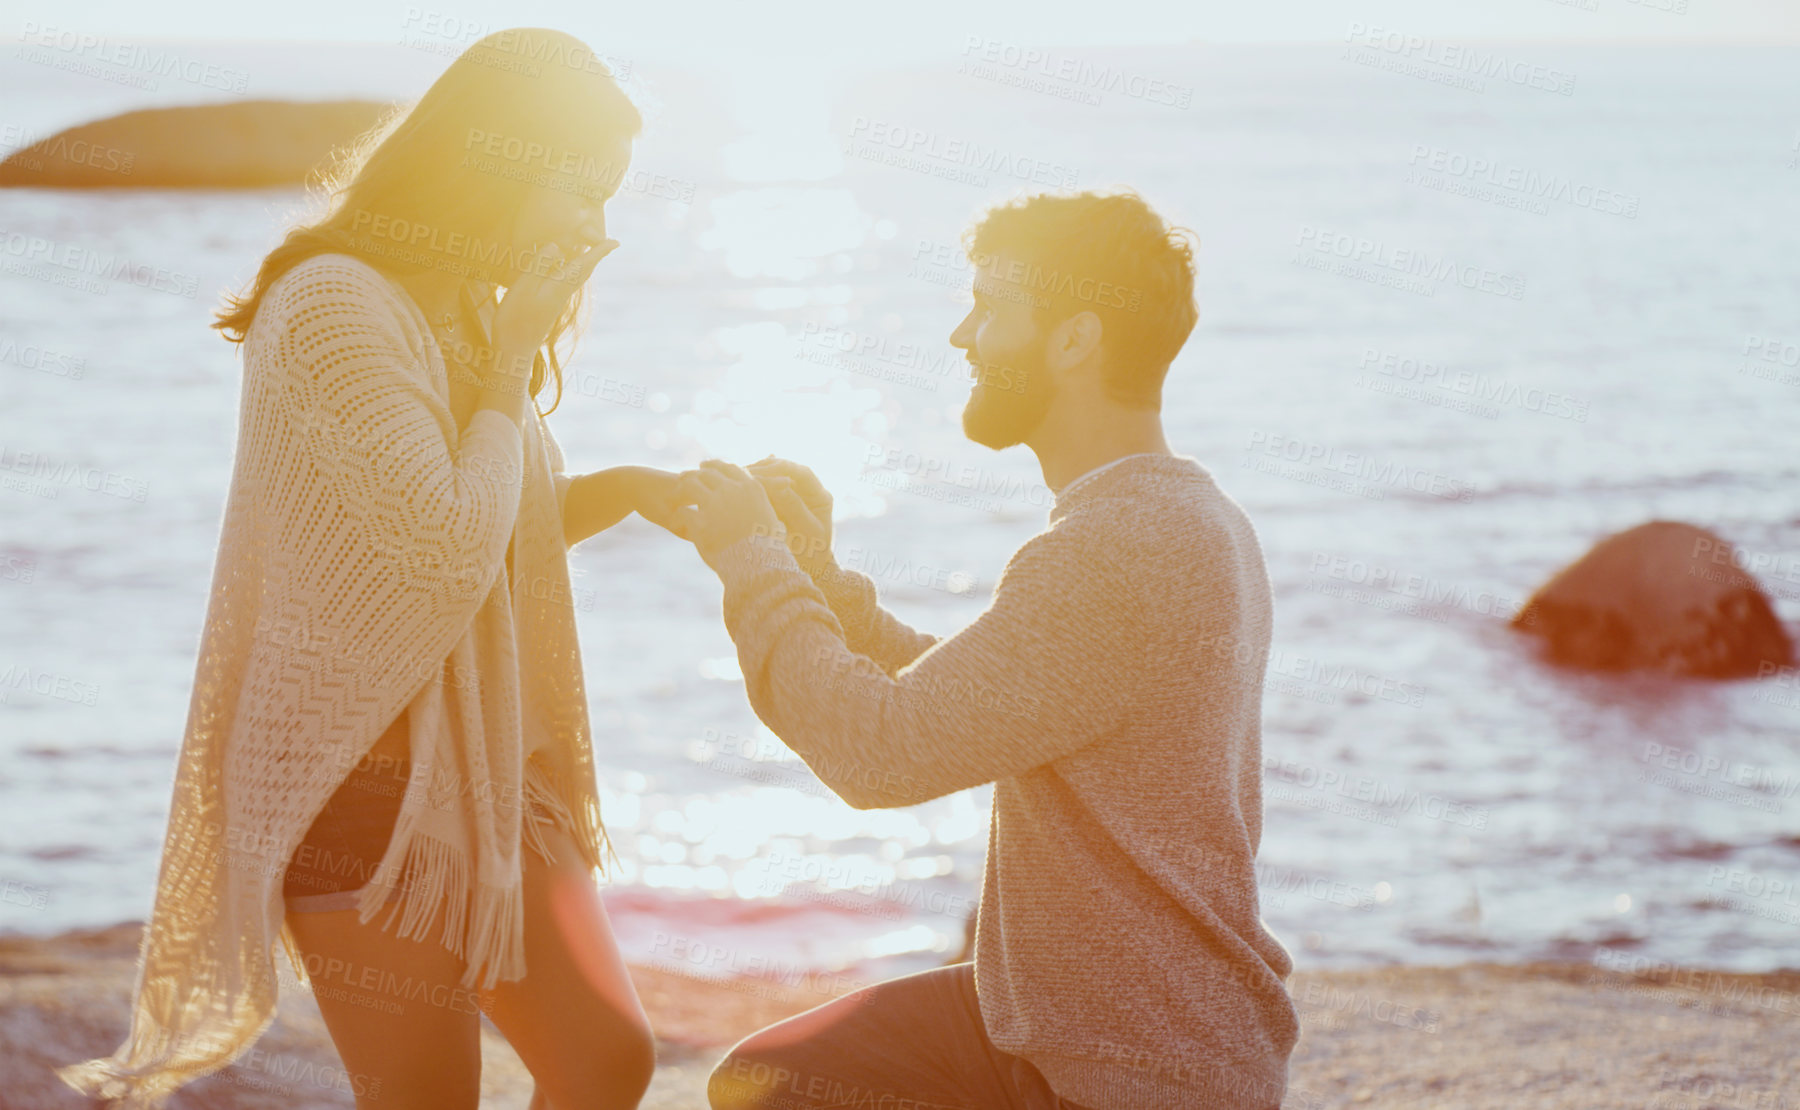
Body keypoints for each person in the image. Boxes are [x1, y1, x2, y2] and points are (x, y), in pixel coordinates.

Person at [57, 28, 683, 1110]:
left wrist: (636, 492)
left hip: (489, 781)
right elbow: (440, 545)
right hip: (364, 782)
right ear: (502, 168)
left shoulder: (463, 313)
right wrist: (511, 353)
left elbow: (481, 533)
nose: (598, 231)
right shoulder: (334, 306)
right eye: (585, 194)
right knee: (429, 1101)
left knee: (605, 1060)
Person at [676, 191, 1300, 1110]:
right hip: (1077, 1018)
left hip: (1129, 1060)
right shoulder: (1181, 515)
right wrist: (820, 577)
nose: (963, 336)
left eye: (990, 307)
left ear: (1074, 339)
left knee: (772, 1091)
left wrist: (754, 561)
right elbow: (993, 700)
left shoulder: (1119, 545)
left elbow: (881, 752)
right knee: (775, 1081)